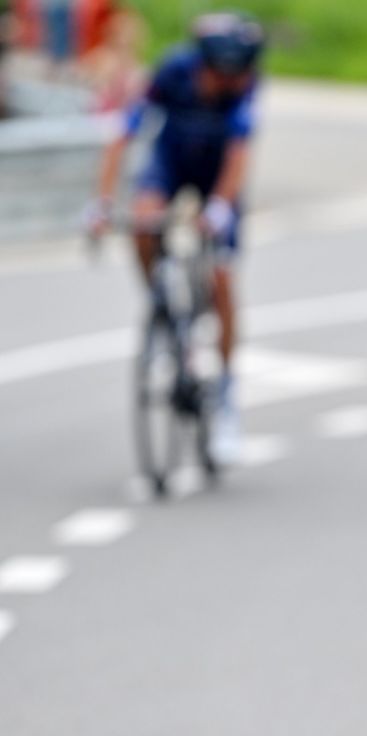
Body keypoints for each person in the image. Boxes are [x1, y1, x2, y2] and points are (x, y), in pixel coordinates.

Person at [89, 11, 264, 462]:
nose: (227, 83)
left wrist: (220, 206)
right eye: (221, 75)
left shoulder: (246, 85)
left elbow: (239, 153)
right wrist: (102, 201)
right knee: (143, 223)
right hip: (171, 162)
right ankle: (162, 305)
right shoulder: (172, 71)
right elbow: (125, 131)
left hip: (216, 172)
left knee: (221, 277)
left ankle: (225, 394)